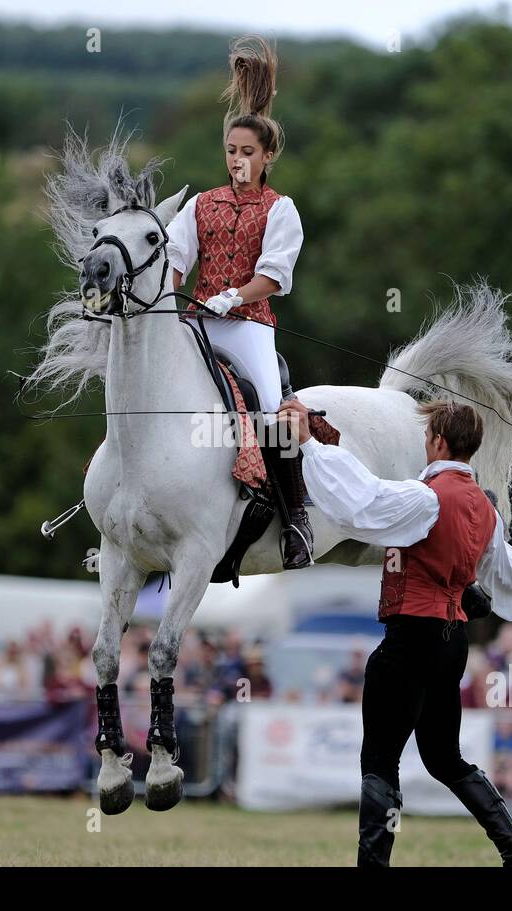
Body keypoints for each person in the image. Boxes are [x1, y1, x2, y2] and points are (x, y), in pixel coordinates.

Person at [278, 396, 512, 866]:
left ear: (437, 441)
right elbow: (509, 568)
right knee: (444, 759)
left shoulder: (427, 497)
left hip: (412, 637)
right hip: (451, 642)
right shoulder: (483, 507)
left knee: (379, 763)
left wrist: (310, 445)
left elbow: (362, 502)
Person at [165, 36, 311, 568]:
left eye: (248, 152)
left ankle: (298, 519)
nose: (237, 160)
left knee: (273, 417)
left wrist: (230, 297)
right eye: (231, 151)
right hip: (197, 322)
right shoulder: (201, 203)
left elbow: (273, 276)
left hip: (248, 326)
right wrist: (172, 293)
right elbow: (176, 257)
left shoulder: (281, 209)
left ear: (267, 156)